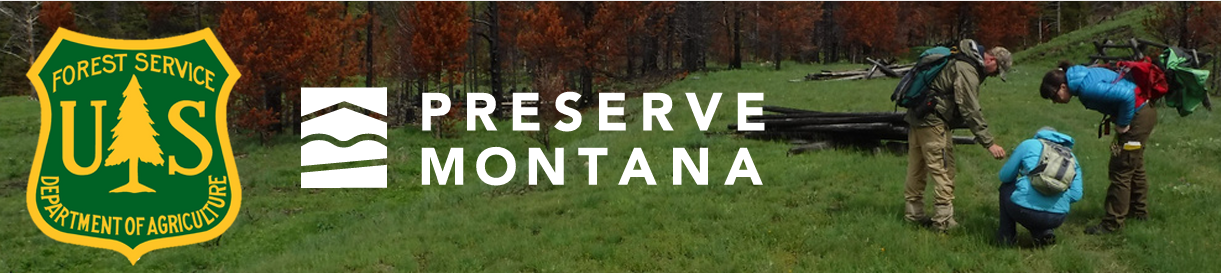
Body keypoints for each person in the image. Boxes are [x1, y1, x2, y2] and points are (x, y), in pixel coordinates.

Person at [904, 39, 1013, 232]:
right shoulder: (967, 69)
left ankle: (914, 215)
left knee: (917, 168)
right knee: (944, 170)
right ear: (991, 60)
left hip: (917, 118)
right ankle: (943, 221)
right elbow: (970, 108)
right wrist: (989, 143)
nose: (995, 75)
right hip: (933, 122)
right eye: (997, 71)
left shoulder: (959, 57)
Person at [1039, 61, 1156, 235]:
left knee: (1121, 169)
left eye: (1054, 96)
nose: (1055, 102)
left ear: (1063, 87)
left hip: (1137, 115)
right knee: (1134, 165)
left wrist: (1123, 124)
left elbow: (1127, 96)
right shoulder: (1082, 76)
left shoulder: (1086, 88)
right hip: (1144, 111)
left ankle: (1112, 224)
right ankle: (1139, 214)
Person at [996, 127, 1083, 246]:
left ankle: (1006, 239)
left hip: (1024, 210)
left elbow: (1005, 176)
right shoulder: (1071, 157)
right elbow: (1076, 195)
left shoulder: (1029, 144)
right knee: (1038, 211)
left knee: (1006, 187)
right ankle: (1043, 233)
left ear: (1039, 135)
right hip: (1057, 217)